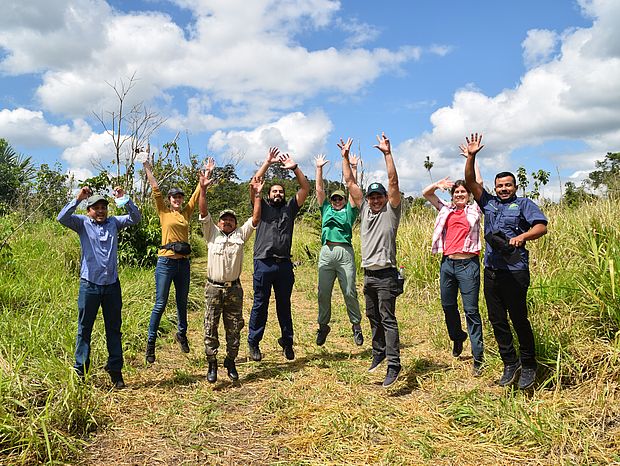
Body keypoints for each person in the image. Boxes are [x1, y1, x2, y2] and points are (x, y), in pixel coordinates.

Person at [463, 133, 548, 390]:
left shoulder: (523, 204)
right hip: (492, 272)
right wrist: (471, 156)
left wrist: (522, 236)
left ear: (514, 187)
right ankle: (509, 363)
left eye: (507, 185)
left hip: (515, 271)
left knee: (519, 319)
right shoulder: (487, 203)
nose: (503, 189)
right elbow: (469, 181)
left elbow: (541, 227)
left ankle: (529, 365)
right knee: (497, 320)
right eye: (500, 185)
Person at [57, 186, 141, 389]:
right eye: (96, 207)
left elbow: (135, 218)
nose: (101, 210)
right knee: (84, 328)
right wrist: (78, 199)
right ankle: (81, 371)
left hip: (112, 286)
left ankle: (115, 371)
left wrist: (124, 199)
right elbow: (62, 218)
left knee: (114, 329)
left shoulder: (114, 223)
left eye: (104, 207)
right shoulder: (82, 223)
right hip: (90, 285)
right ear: (89, 210)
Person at [341, 133, 403, 388]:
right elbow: (349, 181)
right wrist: (344, 157)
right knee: (372, 316)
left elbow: (392, 181)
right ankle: (378, 352)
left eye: (379, 196)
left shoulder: (392, 210)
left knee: (388, 319)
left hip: (387, 275)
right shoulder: (365, 209)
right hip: (369, 274)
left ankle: (394, 364)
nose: (376, 200)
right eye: (372, 197)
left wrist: (387, 154)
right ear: (367, 200)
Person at [198, 160, 264, 383]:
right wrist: (204, 189)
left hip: (234, 289)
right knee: (210, 327)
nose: (227, 222)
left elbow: (255, 219)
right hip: (213, 289)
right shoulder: (212, 234)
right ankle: (212, 363)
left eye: (231, 220)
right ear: (219, 222)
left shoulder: (240, 236)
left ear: (235, 224)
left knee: (234, 328)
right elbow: (203, 211)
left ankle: (231, 361)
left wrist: (257, 196)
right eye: (224, 219)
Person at [247, 147, 310, 361]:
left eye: (280, 191)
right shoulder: (261, 206)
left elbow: (305, 188)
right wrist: (267, 162)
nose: (278, 194)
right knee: (260, 304)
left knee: (284, 305)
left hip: (284, 265)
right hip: (263, 263)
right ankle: (254, 342)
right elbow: (255, 182)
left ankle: (287, 342)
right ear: (268, 194)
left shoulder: (290, 208)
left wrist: (295, 168)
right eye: (274, 191)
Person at [422, 159, 484, 376]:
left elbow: (479, 183)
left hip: (468, 265)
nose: (459, 195)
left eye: (463, 192)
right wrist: (437, 184)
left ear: (468, 195)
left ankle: (478, 357)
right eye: (456, 192)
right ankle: (457, 337)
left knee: (471, 311)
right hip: (447, 264)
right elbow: (426, 194)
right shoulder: (445, 209)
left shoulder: (475, 209)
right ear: (452, 195)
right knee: (448, 306)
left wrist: (472, 158)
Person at [142, 145, 201, 364]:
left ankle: (182, 334)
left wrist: (204, 179)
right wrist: (147, 166)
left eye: (180, 197)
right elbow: (155, 188)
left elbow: (196, 196)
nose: (177, 199)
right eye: (174, 197)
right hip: (166, 263)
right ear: (169, 199)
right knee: (160, 303)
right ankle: (150, 344)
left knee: (182, 302)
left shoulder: (186, 213)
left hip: (183, 264)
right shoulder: (163, 211)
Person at [314, 153, 363, 346]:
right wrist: (319, 168)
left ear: (344, 200)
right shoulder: (325, 209)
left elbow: (354, 190)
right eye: (334, 199)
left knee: (349, 291)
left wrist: (354, 168)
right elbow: (319, 189)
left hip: (345, 253)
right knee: (323, 293)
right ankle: (323, 326)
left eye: (339, 199)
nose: (336, 201)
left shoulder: (349, 211)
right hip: (326, 253)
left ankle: (356, 326)